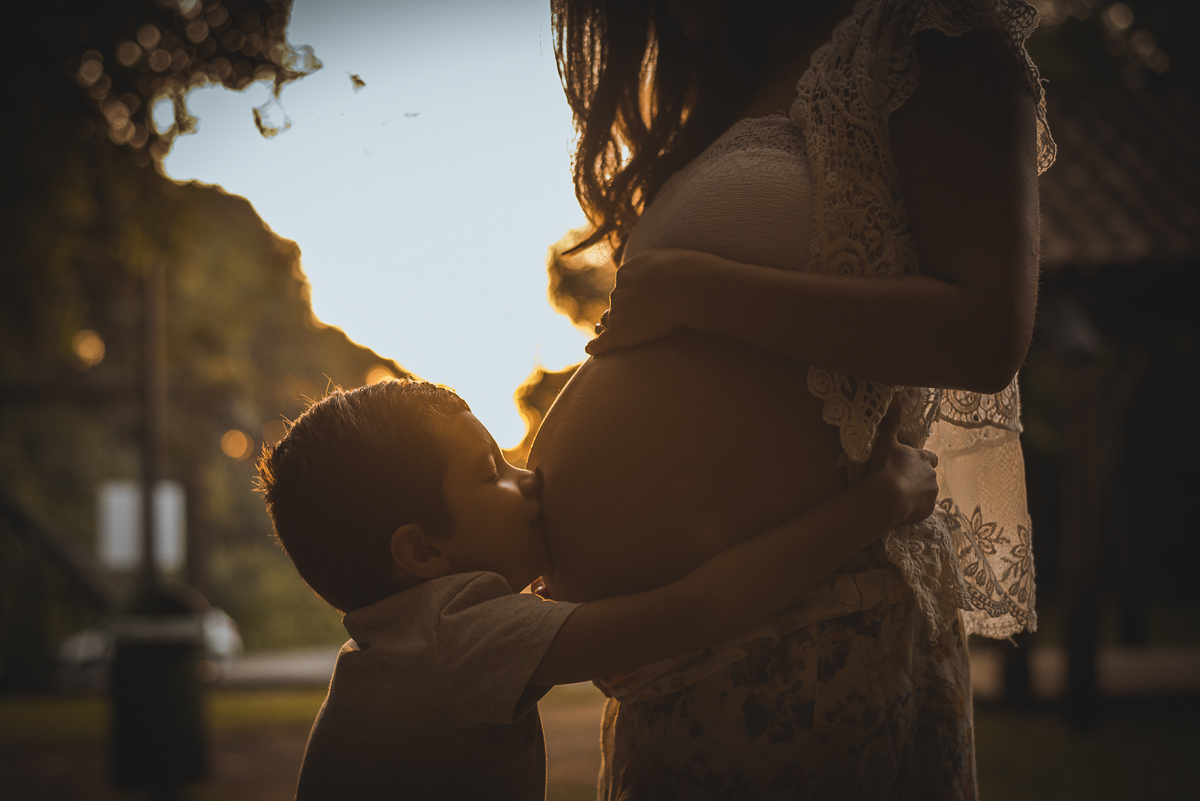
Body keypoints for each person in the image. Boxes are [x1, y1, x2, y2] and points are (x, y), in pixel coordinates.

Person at [528, 0, 1054, 796]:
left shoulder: (923, 35)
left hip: (818, 643)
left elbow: (986, 331)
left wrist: (698, 289)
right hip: (690, 670)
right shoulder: (748, 80)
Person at [255, 379, 938, 800]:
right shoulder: (458, 636)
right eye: (491, 469)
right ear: (423, 549)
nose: (530, 478)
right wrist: (879, 502)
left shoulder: (396, 645)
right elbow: (701, 608)